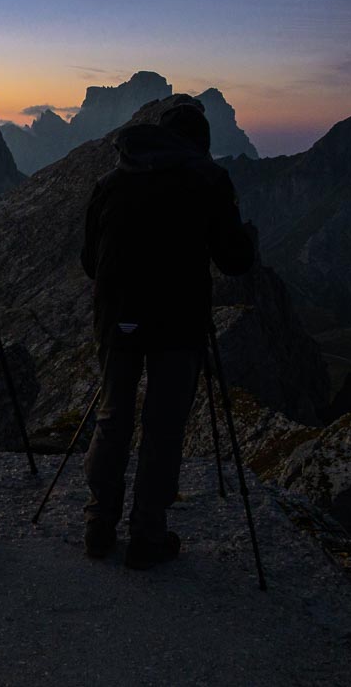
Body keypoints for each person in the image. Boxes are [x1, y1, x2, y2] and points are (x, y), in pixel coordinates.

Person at [80, 101, 254, 569]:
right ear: (201, 142)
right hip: (178, 319)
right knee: (163, 425)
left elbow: (88, 261)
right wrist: (248, 235)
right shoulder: (208, 181)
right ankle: (147, 536)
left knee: (113, 415)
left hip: (118, 315)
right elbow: (235, 260)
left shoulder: (112, 181)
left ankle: (98, 525)